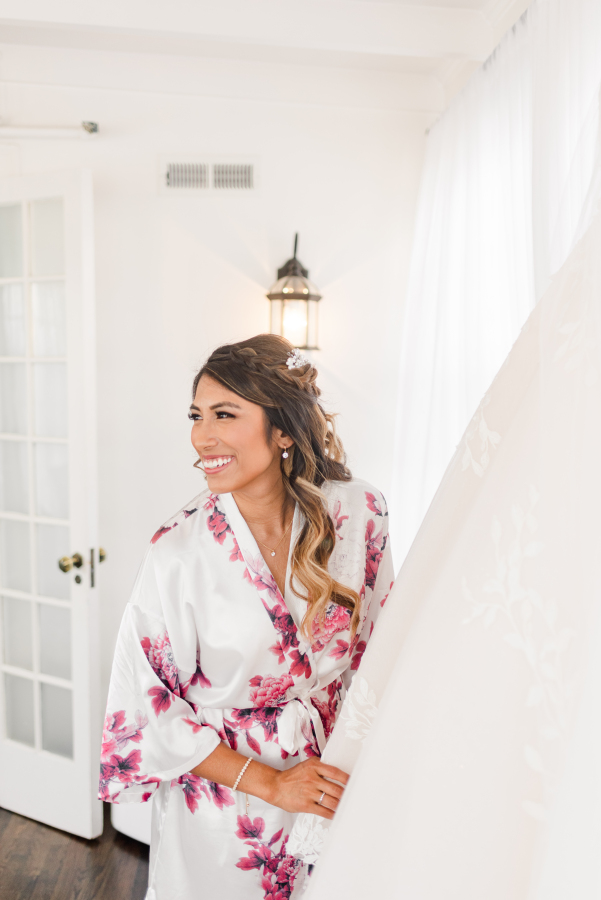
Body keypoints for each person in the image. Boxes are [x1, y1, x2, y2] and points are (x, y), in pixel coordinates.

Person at [99, 334, 394, 900]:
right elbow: (147, 704)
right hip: (227, 811)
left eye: (224, 414)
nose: (200, 436)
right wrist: (274, 784)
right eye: (196, 415)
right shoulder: (177, 552)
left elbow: (379, 649)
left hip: (337, 782)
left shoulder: (359, 514)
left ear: (283, 430)